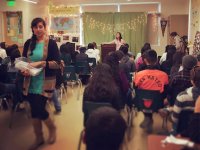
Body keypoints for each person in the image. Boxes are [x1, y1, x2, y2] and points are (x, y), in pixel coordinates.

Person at [21, 17, 60, 150]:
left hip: (45, 82)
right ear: (32, 29)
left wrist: (42, 63)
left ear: (44, 27)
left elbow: (57, 64)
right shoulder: (28, 43)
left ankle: (52, 128)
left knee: (39, 108)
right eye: (35, 27)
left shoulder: (51, 44)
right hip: (30, 82)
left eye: (40, 26)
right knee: (33, 110)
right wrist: (24, 70)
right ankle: (39, 138)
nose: (38, 29)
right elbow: (25, 62)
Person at [134, 49, 169, 132]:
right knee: (154, 99)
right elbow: (166, 92)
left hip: (141, 103)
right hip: (158, 104)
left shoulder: (138, 75)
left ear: (145, 60)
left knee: (144, 97)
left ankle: (147, 117)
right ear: (157, 60)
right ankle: (148, 118)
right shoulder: (164, 75)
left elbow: (135, 89)